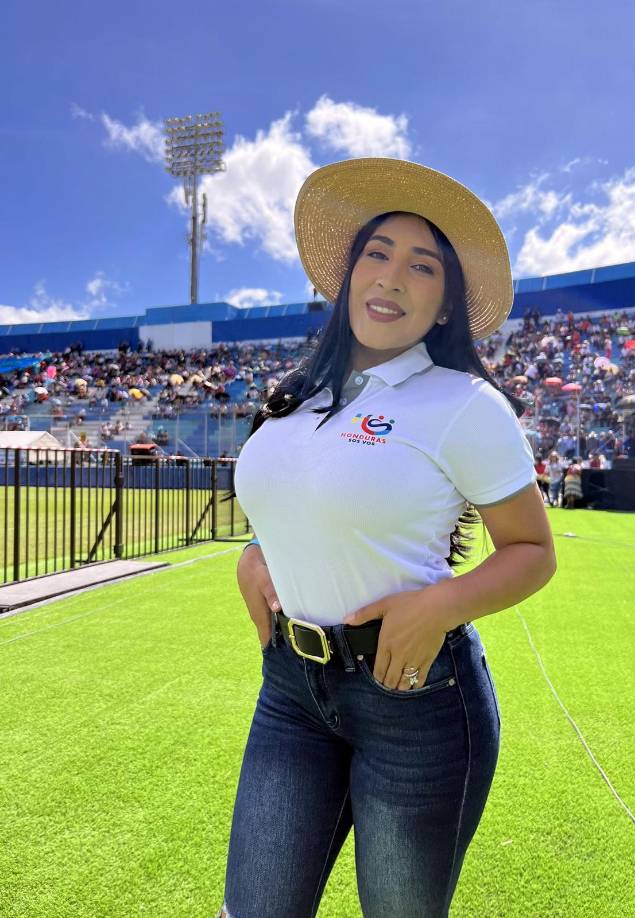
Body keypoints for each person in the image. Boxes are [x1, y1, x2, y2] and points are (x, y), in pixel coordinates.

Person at [217, 157, 557, 918]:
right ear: (346, 281)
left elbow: (533, 551)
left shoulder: (464, 404)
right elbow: (293, 504)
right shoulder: (294, 395)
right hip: (290, 691)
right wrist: (254, 555)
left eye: (421, 266)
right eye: (376, 254)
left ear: (444, 306)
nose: (391, 277)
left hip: (415, 703)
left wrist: (439, 606)